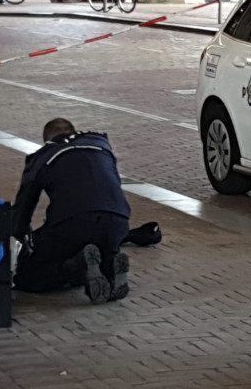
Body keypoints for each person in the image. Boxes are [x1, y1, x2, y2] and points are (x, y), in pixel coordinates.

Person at [12, 118, 161, 303]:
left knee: (27, 275)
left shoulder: (43, 157)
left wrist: (24, 239)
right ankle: (110, 264)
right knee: (101, 244)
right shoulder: (101, 145)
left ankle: (75, 268)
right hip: (118, 222)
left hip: (73, 224)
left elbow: (22, 213)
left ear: (47, 140)